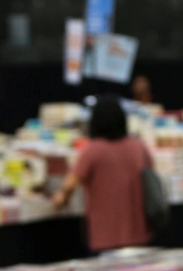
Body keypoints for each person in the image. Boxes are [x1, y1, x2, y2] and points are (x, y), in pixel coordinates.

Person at [52, 96, 153, 252]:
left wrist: (59, 200)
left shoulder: (93, 150)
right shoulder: (138, 146)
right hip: (138, 231)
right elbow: (150, 176)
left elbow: (70, 185)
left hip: (105, 236)